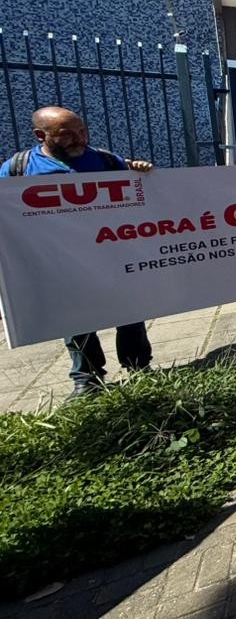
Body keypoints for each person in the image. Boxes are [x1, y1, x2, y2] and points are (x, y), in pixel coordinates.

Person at [1, 107, 155, 400]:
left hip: (112, 254)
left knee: (130, 310)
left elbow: (144, 195)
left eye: (81, 131)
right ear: (40, 135)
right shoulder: (18, 168)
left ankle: (138, 367)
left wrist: (141, 172)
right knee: (75, 321)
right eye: (67, 134)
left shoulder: (107, 161)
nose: (79, 139)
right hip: (58, 261)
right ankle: (87, 378)